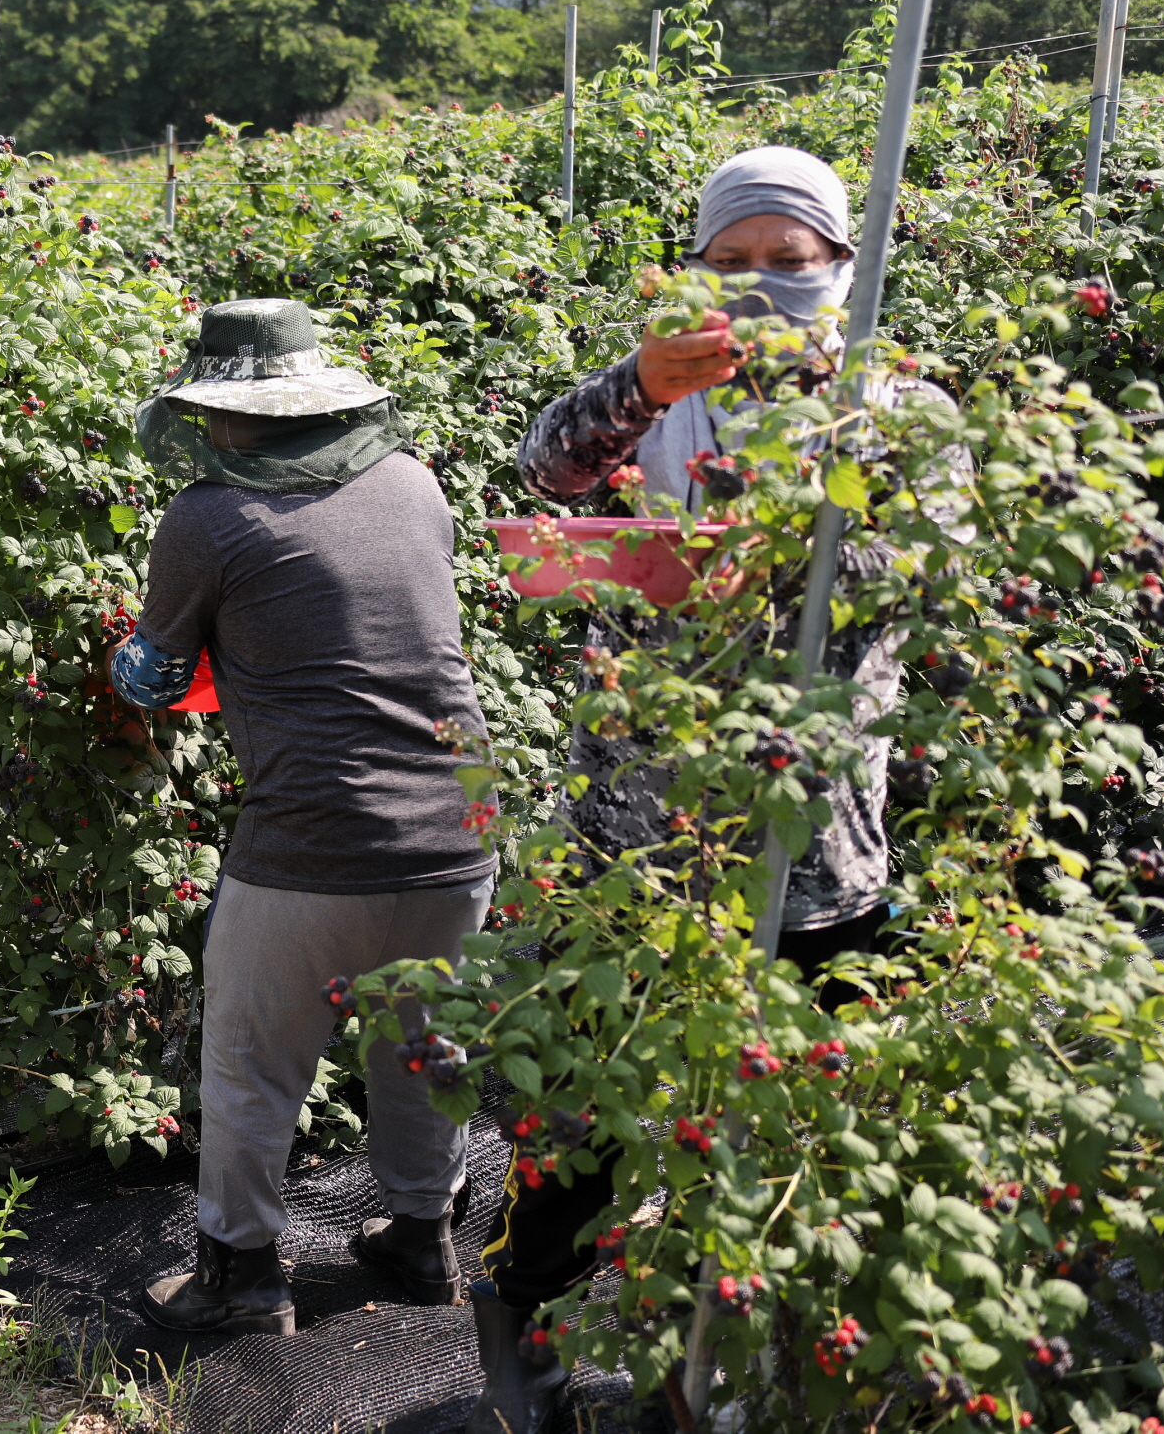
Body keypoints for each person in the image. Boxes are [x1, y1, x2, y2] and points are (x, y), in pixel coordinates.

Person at [468, 147, 964, 1434]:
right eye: (729, 264)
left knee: (789, 1106)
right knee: (578, 1090)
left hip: (811, 840)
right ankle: (522, 1306)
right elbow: (546, 478)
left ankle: (730, 1352)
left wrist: (770, 568)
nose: (757, 289)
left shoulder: (900, 414)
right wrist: (633, 391)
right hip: (639, 827)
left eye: (787, 267)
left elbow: (919, 594)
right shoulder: (658, 390)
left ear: (842, 271)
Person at [107, 297, 498, 1337]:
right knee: (423, 1046)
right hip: (458, 820)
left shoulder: (206, 517)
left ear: (219, 410)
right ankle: (422, 1244)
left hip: (311, 834)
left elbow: (155, 677)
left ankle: (242, 1274)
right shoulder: (413, 484)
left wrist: (126, 652)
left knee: (252, 1057)